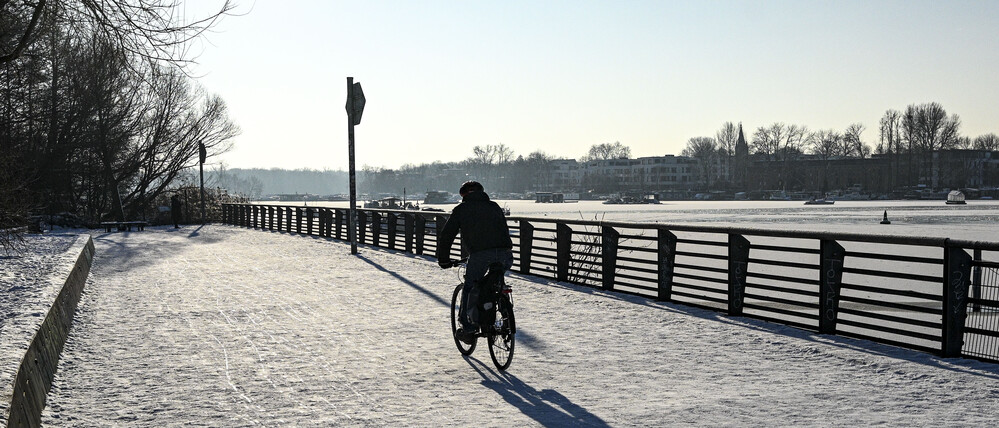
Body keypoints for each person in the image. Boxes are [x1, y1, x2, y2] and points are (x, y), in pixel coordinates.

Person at [437, 181, 514, 342]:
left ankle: (468, 329)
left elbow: (447, 235)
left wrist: (443, 259)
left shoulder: (461, 210)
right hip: (505, 253)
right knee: (495, 281)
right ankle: (503, 311)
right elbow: (504, 230)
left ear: (464, 195)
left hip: (480, 255)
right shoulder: (494, 207)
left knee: (470, 286)